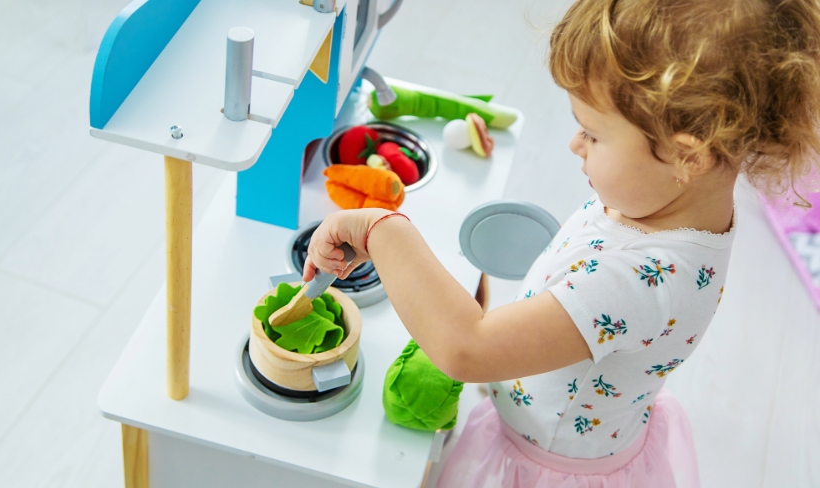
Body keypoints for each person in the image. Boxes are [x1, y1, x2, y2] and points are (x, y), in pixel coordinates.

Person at [303, 0, 820, 485]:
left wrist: (382, 229)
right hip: (580, 423)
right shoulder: (675, 204)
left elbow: (467, 349)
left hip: (539, 465)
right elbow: (596, 275)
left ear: (689, 155)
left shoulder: (640, 281)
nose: (575, 143)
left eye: (592, 134)